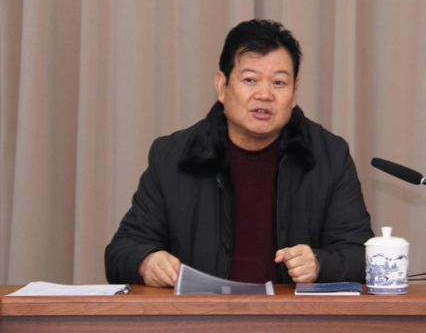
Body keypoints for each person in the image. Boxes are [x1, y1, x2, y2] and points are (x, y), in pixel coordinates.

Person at [105, 19, 373, 287]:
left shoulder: (328, 156)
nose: (265, 94)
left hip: (290, 312)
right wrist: (146, 261)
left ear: (294, 92)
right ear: (222, 86)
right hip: (202, 312)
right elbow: (121, 251)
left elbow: (361, 256)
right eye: (250, 80)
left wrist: (319, 263)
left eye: (279, 82)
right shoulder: (173, 156)